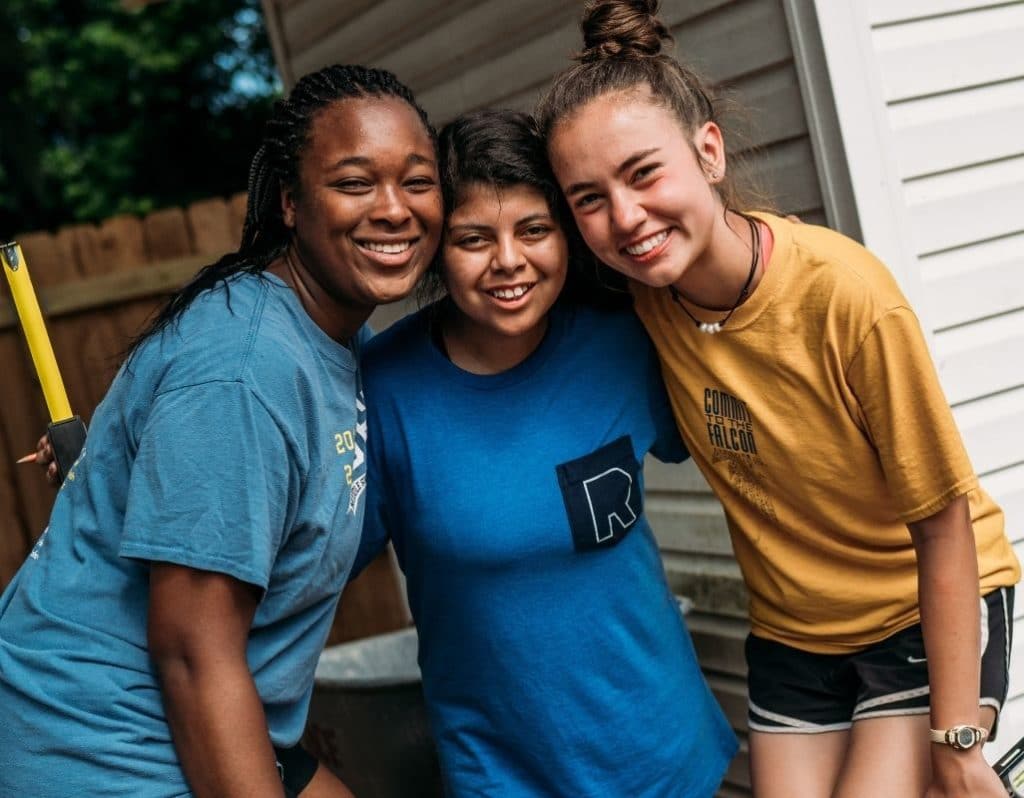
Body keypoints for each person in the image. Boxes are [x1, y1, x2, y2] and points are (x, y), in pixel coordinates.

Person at [533, 2, 1021, 797]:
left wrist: (960, 743)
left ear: (710, 152)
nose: (626, 217)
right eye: (588, 198)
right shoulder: (642, 298)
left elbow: (944, 524)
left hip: (917, 606)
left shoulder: (846, 297)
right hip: (796, 633)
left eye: (644, 173)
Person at [0, 64, 443, 798]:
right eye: (355, 182)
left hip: (193, 709)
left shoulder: (328, 341)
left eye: (417, 180)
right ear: (291, 204)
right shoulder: (249, 369)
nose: (393, 208)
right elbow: (189, 654)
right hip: (97, 747)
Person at [356, 108, 737, 797]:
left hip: (666, 754)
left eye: (534, 230)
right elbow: (306, 573)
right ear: (438, 249)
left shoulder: (626, 339)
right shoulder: (383, 392)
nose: (509, 260)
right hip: (504, 774)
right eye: (475, 238)